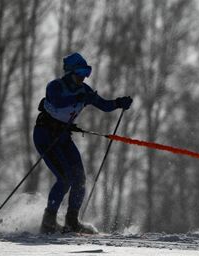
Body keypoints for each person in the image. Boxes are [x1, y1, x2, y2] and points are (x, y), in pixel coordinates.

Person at [34, 52, 132, 234]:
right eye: (80, 72)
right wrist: (78, 99)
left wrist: (119, 103)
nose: (83, 77)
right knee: (64, 179)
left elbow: (104, 105)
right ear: (70, 72)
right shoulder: (55, 86)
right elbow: (57, 102)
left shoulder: (84, 90)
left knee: (79, 179)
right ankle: (48, 222)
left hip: (63, 137)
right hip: (45, 135)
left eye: (86, 72)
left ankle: (72, 221)